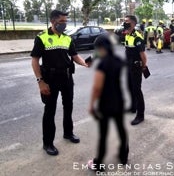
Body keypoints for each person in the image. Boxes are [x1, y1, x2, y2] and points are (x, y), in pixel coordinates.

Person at [31, 10, 88, 156]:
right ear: (52, 21)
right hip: (50, 79)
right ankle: (48, 143)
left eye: (65, 21)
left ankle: (68, 133)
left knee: (68, 106)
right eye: (62, 21)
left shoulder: (67, 38)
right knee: (50, 111)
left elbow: (74, 56)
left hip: (67, 78)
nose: (64, 24)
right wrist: (40, 82)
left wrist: (85, 64)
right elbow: (35, 60)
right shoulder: (42, 38)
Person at [88, 35, 129, 171]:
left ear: (100, 48)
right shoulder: (118, 60)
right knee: (121, 130)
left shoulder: (103, 64)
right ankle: (123, 157)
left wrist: (91, 105)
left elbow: (97, 87)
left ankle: (98, 164)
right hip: (119, 101)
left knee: (103, 135)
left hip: (106, 104)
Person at [124, 15, 147, 125]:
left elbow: (143, 56)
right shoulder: (127, 35)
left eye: (127, 21)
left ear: (133, 23)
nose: (125, 23)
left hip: (136, 67)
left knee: (137, 90)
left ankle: (140, 115)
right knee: (130, 87)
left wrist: (143, 67)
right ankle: (133, 107)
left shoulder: (137, 37)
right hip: (128, 66)